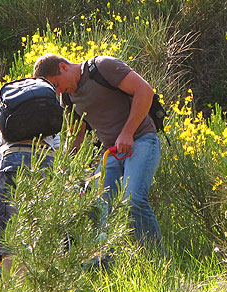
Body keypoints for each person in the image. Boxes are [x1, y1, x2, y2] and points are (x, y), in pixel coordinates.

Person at [33, 53, 163, 249]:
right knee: (102, 209)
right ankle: (112, 261)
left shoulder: (102, 67)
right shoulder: (67, 97)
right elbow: (77, 136)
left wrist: (127, 132)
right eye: (54, 89)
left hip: (141, 140)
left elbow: (144, 91)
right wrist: (67, 170)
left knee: (133, 199)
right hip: (111, 152)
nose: (58, 91)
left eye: (57, 84)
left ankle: (157, 258)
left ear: (63, 67)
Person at [0, 119, 59, 272]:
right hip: (47, 159)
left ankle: (14, 284)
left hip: (12, 164)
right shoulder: (49, 126)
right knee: (48, 243)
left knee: (10, 247)